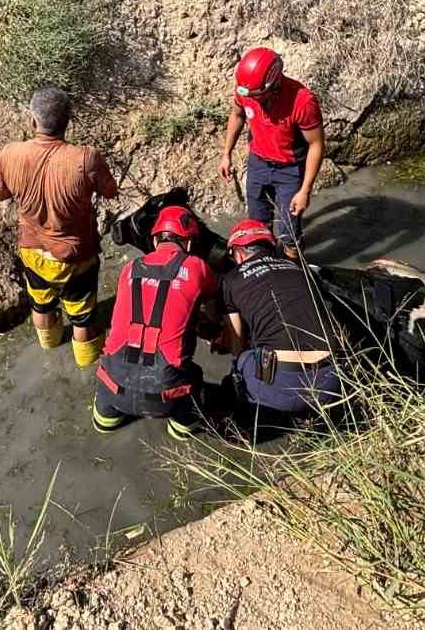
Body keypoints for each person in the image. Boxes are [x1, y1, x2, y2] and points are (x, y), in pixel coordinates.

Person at [0, 86, 119, 367]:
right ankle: (85, 367)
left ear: (31, 121)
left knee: (41, 304)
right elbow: (111, 192)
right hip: (76, 258)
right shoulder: (87, 158)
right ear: (68, 122)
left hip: (33, 251)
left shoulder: (10, 153)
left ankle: (50, 350)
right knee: (83, 317)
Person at [92, 205, 219, 441]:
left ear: (154, 239)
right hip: (164, 393)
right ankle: (181, 426)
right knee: (194, 377)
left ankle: (108, 417)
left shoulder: (129, 269)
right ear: (189, 243)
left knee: (104, 424)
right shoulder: (196, 266)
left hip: (113, 384)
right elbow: (212, 310)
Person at [218, 218, 341, 422]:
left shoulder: (231, 279)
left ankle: (255, 416)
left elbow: (237, 341)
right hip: (331, 382)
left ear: (238, 253)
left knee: (241, 362)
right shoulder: (301, 270)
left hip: (282, 386)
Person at [217, 47, 326, 251]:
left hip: (290, 170)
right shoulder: (246, 91)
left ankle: (292, 268)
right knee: (256, 227)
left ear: (274, 84)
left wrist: (305, 190)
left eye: (257, 96)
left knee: (288, 233)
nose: (252, 100)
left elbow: (316, 145)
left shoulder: (302, 102)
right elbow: (237, 115)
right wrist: (226, 155)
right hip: (258, 163)